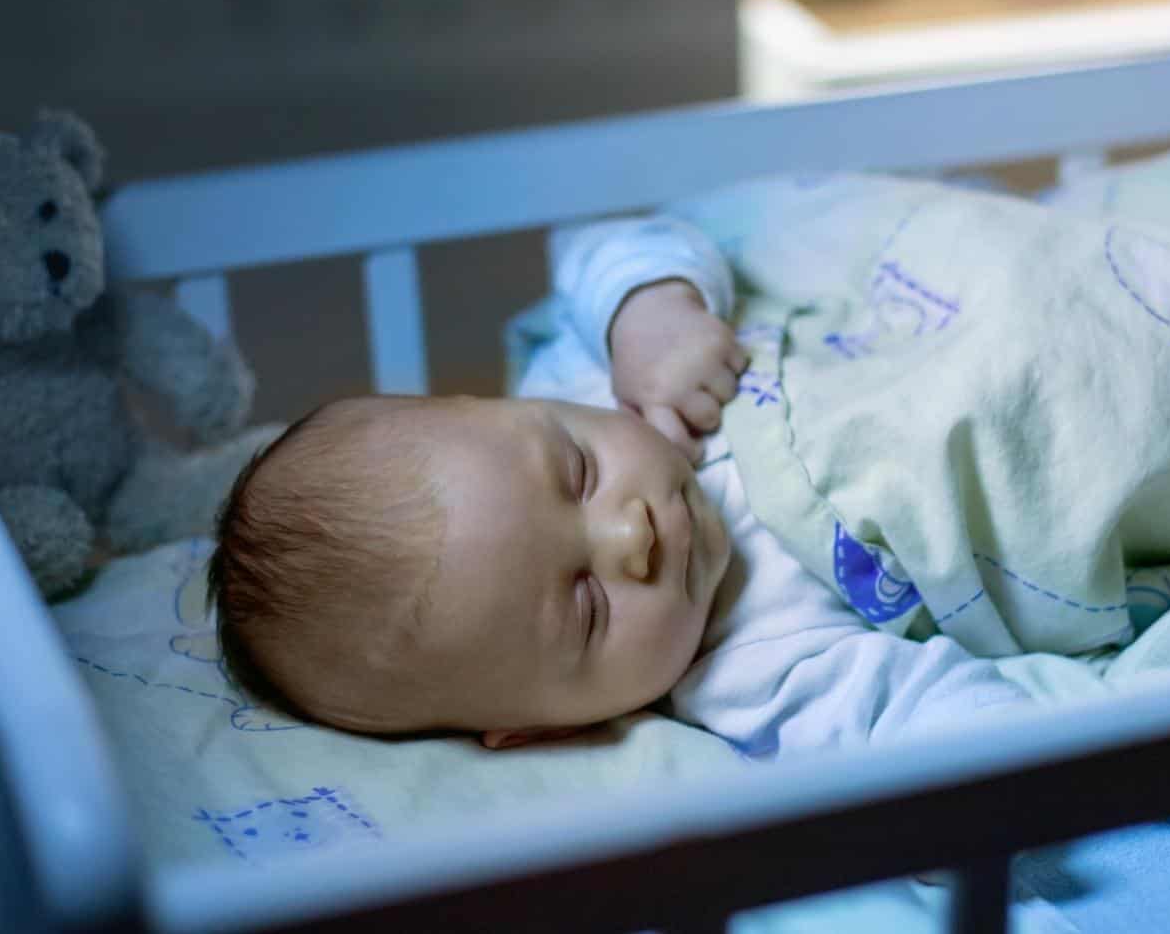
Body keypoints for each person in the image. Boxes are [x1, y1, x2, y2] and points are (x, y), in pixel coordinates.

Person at [207, 215, 1029, 755]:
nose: (630, 536)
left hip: (970, 293)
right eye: (588, 607)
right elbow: (929, 724)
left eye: (578, 473)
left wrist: (650, 316)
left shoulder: (596, 375)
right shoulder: (755, 667)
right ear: (537, 727)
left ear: (512, 405)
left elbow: (611, 245)